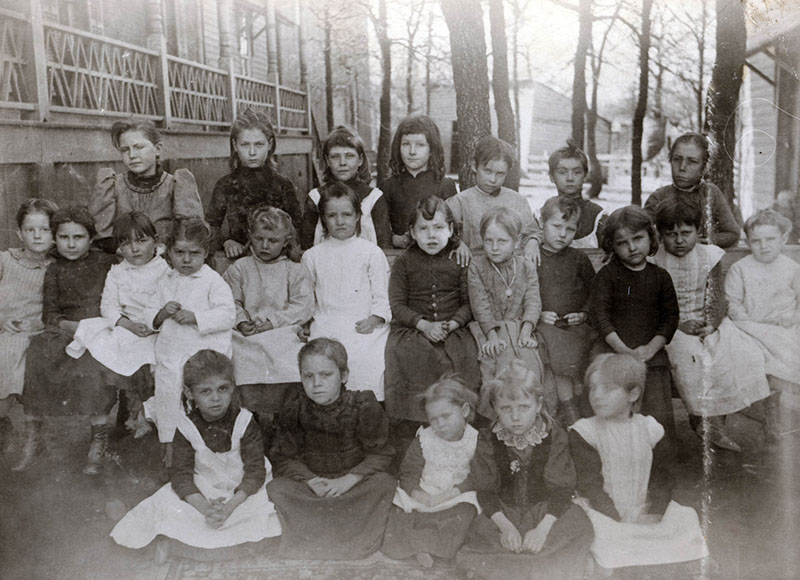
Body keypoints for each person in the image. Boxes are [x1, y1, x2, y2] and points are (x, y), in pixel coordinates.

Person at [110, 350, 280, 558]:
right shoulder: (185, 427)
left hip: (244, 490)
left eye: (222, 389)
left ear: (232, 388)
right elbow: (181, 475)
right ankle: (183, 541)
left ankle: (188, 545)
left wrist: (229, 508)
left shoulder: (245, 421)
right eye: (205, 392)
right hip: (203, 490)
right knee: (167, 504)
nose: (216, 398)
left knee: (269, 509)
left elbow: (255, 472)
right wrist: (206, 509)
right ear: (189, 393)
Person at [15, 206, 134, 474]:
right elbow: (51, 313)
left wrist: (96, 327)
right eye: (64, 237)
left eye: (78, 237)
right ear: (55, 239)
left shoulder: (106, 264)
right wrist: (73, 327)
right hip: (68, 330)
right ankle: (33, 436)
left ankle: (98, 437)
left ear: (91, 238)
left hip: (102, 328)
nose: (70, 244)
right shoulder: (55, 270)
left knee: (94, 367)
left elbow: (120, 298)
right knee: (35, 352)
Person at [456, 361, 594, 580]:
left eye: (523, 407)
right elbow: (485, 488)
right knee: (475, 528)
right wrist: (505, 527)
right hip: (505, 512)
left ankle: (511, 567)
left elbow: (562, 488)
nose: (516, 417)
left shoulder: (554, 435)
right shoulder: (487, 438)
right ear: (494, 407)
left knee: (579, 523)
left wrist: (543, 529)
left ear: (538, 405)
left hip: (546, 512)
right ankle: (542, 567)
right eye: (506, 409)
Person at [569, 354, 708, 571]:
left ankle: (637, 550)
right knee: (592, 528)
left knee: (686, 517)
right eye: (593, 388)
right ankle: (628, 552)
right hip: (603, 511)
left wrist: (655, 511)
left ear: (633, 394)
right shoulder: (586, 432)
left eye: (607, 389)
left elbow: (663, 477)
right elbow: (589, 484)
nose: (597, 395)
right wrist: (615, 517)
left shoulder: (649, 429)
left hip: (642, 508)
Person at [267, 338, 396, 560]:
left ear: (343, 376)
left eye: (326, 375)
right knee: (276, 488)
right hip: (312, 487)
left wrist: (350, 479)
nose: (316, 383)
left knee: (384, 484)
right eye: (308, 376)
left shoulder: (362, 405)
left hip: (353, 486)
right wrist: (310, 481)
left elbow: (381, 454)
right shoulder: (295, 408)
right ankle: (328, 538)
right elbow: (284, 457)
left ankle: (334, 539)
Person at [651, 197, 763, 452]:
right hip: (672, 327)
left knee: (731, 351)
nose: (679, 241)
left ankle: (716, 423)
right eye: (671, 234)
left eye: (686, 233)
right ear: (660, 235)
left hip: (706, 322)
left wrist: (711, 323)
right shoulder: (656, 260)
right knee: (687, 355)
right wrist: (678, 325)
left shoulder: (708, 256)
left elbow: (716, 297)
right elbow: (653, 304)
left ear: (699, 232)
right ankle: (700, 419)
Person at [65, 212, 170, 439]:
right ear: (119, 248)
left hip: (157, 329)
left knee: (153, 359)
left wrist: (155, 325)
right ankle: (129, 414)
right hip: (128, 328)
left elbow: (169, 304)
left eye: (141, 241)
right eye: (126, 243)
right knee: (111, 349)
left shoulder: (166, 272)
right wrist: (127, 324)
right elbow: (109, 307)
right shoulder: (118, 272)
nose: (134, 249)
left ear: (156, 240)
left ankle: (149, 416)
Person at [590, 206, 680, 455]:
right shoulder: (607, 277)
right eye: (622, 242)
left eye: (638, 238)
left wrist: (650, 349)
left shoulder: (661, 277)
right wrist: (623, 351)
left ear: (651, 237)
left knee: (655, 413)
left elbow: (670, 318)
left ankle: (659, 466)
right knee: (616, 407)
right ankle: (614, 458)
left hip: (651, 354)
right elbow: (600, 316)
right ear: (613, 247)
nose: (631, 247)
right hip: (615, 351)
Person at [382, 375, 497, 567]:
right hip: (424, 491)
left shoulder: (476, 440)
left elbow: (478, 476)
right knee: (398, 506)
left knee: (466, 509)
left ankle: (433, 548)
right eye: (433, 419)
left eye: (446, 416)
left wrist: (452, 493)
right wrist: (417, 492)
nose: (440, 424)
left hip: (456, 494)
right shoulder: (424, 438)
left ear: (465, 410)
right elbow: (409, 472)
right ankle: (417, 547)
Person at [144, 218, 235, 449]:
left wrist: (197, 318)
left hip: (203, 350)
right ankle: (171, 444)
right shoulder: (165, 280)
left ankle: (208, 444)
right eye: (179, 252)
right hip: (173, 350)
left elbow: (227, 315)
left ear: (205, 253)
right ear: (169, 253)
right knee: (168, 390)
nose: (186, 259)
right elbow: (148, 313)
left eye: (194, 253)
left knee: (203, 394)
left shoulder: (212, 281)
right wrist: (162, 313)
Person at [385, 196, 478, 423]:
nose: (431, 235)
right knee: (413, 356)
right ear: (413, 232)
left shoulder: (460, 260)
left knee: (464, 356)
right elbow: (397, 304)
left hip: (454, 328)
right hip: (414, 329)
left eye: (438, 227)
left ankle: (460, 418)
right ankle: (417, 423)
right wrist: (423, 324)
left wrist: (454, 322)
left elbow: (469, 302)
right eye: (423, 229)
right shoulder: (404, 262)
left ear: (450, 229)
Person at [222, 205, 313, 422]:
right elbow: (228, 302)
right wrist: (242, 322)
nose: (264, 245)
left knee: (290, 351)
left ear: (286, 241)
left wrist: (273, 322)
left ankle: (285, 416)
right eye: (259, 238)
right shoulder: (240, 268)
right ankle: (247, 416)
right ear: (250, 236)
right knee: (236, 351)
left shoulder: (294, 269)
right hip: (248, 333)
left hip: (282, 330)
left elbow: (303, 306)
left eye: (272, 241)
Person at [301, 182, 391, 399]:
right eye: (332, 216)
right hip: (327, 321)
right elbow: (305, 299)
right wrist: (305, 322)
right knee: (324, 356)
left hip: (364, 323)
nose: (340, 221)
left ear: (358, 216)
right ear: (323, 219)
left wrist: (376, 318)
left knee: (368, 357)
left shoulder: (371, 252)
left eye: (347, 214)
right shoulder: (312, 256)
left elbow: (382, 295)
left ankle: (367, 406)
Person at [724, 209, 800, 443]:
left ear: (784, 239)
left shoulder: (791, 268)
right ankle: (760, 406)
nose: (763, 246)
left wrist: (794, 317)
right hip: (750, 328)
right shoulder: (741, 268)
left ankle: (772, 408)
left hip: (783, 329)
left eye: (770, 239)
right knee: (748, 350)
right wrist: (745, 319)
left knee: (787, 349)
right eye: (756, 241)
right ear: (748, 242)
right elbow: (732, 303)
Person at [466, 207, 549, 416]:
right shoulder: (477, 266)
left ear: (517, 241)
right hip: (489, 329)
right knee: (494, 363)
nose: (494, 248)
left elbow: (532, 300)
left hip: (521, 327)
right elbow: (480, 305)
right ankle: (495, 418)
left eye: (502, 241)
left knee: (529, 363)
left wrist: (526, 332)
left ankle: (530, 415)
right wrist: (492, 336)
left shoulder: (526, 266)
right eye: (488, 241)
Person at [90, 120, 203, 253]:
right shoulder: (112, 185)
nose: (132, 155)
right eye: (125, 150)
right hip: (124, 262)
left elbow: (191, 233)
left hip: (166, 263)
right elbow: (102, 236)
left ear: (157, 149)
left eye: (139, 147)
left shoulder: (175, 184)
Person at [0, 199, 58, 457]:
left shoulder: (56, 268)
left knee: (13, 355)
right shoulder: (5, 261)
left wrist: (42, 323)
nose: (37, 236)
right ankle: (3, 425)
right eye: (30, 229)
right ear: (19, 233)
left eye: (44, 229)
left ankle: (29, 431)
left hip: (35, 332)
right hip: (4, 328)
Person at [206, 109, 302, 259]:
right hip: (239, 260)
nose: (252, 152)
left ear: (269, 144)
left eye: (259, 144)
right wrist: (226, 241)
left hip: (277, 260)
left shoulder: (283, 184)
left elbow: (296, 228)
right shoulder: (226, 185)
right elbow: (211, 227)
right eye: (245, 145)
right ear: (235, 145)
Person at [536, 197, 597, 425]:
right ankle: (570, 409)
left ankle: (581, 404)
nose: (562, 234)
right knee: (556, 349)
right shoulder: (534, 257)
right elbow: (525, 291)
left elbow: (595, 292)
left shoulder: (579, 259)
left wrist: (584, 313)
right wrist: (539, 313)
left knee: (585, 347)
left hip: (575, 325)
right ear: (541, 223)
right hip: (546, 325)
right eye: (556, 226)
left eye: (569, 229)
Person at [446, 136, 541, 265]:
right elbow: (445, 231)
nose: (493, 179)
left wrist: (532, 241)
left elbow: (532, 231)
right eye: (488, 171)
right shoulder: (460, 201)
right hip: (474, 267)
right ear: (474, 166)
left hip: (511, 268)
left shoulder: (517, 200)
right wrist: (457, 243)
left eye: (500, 173)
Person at [644, 132, 740, 248]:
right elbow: (640, 232)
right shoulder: (659, 197)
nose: (682, 167)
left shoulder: (711, 193)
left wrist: (707, 240)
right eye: (677, 159)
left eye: (692, 162)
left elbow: (733, 233)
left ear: (704, 168)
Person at [301, 126, 392, 249]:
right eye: (335, 157)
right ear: (327, 160)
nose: (342, 162)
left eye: (349, 156)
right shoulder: (316, 197)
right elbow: (307, 244)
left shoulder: (373, 197)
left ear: (360, 160)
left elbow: (384, 244)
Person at [381, 114, 458, 249]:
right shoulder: (388, 186)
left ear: (431, 150)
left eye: (420, 145)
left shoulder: (445, 185)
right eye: (406, 144)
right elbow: (381, 227)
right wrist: (394, 238)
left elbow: (453, 229)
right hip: (400, 256)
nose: (412, 151)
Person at [547, 140, 605, 248]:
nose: (570, 178)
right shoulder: (543, 213)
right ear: (551, 176)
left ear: (585, 175)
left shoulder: (598, 216)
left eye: (577, 172)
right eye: (562, 172)